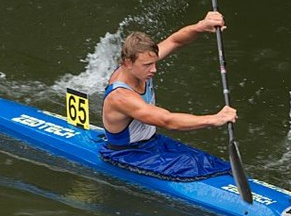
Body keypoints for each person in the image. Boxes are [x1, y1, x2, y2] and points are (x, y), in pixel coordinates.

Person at [99, 11, 235, 181]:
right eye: (148, 65)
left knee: (211, 162)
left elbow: (175, 41)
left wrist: (200, 26)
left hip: (151, 142)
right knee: (193, 164)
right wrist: (214, 119)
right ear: (127, 63)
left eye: (155, 62)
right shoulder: (121, 97)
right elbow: (167, 121)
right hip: (128, 153)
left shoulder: (141, 63)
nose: (154, 69)